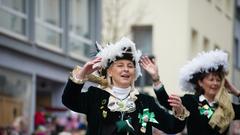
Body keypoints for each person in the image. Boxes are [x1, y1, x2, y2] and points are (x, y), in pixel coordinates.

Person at [62, 37, 188, 135]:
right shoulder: (96, 96)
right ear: (109, 71)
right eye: (120, 65)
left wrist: (179, 110)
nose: (126, 69)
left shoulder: (145, 102)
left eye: (130, 66)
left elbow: (172, 127)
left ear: (135, 72)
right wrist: (82, 74)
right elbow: (69, 100)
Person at [140, 50, 240, 135]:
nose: (215, 83)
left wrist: (236, 92)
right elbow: (166, 101)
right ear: (200, 82)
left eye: (218, 80)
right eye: (211, 79)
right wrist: (156, 79)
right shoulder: (191, 101)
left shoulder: (226, 106)